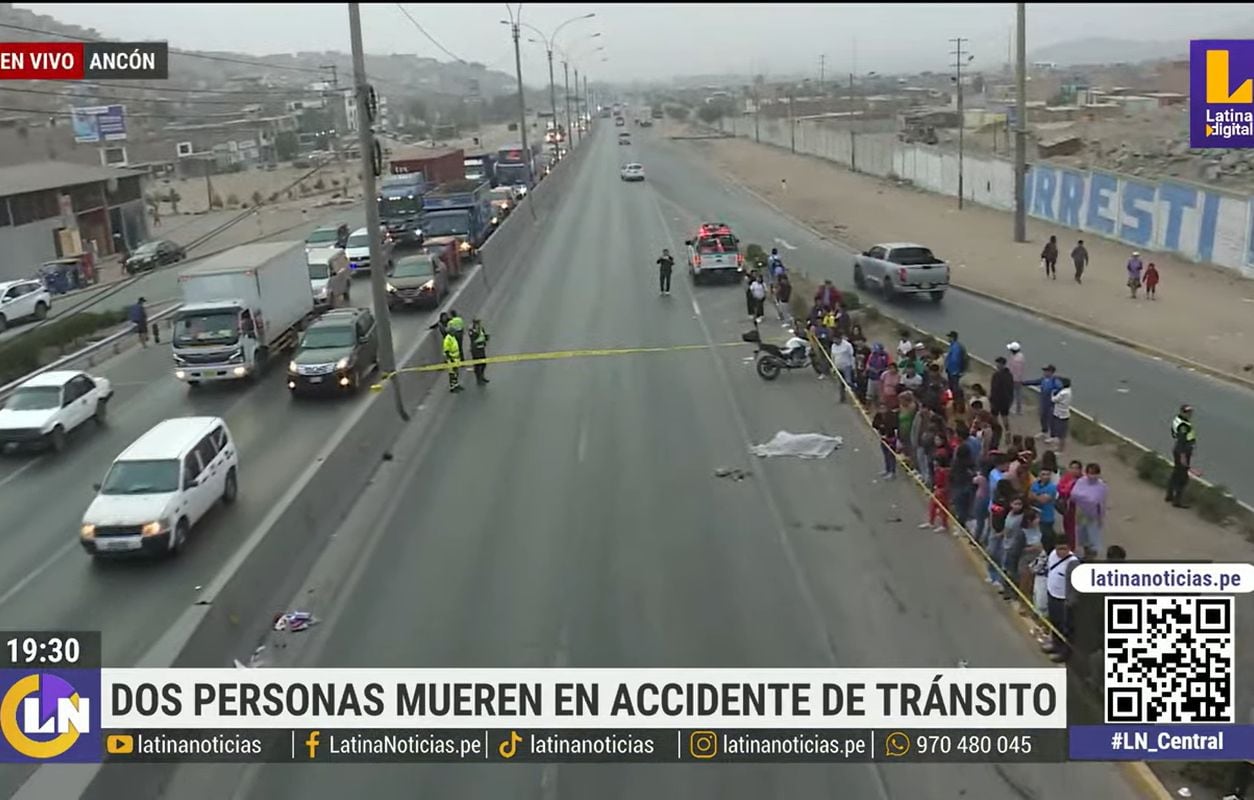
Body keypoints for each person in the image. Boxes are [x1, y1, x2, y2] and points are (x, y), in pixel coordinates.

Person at [1042, 539, 1080, 663]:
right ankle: (1055, 645)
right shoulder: (1053, 555)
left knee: (1065, 629)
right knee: (1054, 623)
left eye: (1064, 549)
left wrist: (1071, 602)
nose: (1060, 552)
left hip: (1064, 600)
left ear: (1069, 549)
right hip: (1052, 594)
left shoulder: (1073, 563)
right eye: (1059, 549)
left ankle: (1065, 654)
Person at [1071, 463, 1108, 559]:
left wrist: (1101, 517)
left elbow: (1101, 502)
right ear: (1086, 473)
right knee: (1083, 536)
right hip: (1081, 514)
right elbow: (1074, 495)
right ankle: (1086, 553)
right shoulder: (1081, 482)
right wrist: (1089, 499)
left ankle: (1091, 557)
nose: (1092, 476)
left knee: (1093, 538)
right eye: (1090, 473)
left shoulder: (1102, 486)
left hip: (1094, 515)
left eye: (1095, 473)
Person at [1166, 403, 1197, 508]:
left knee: (1176, 473)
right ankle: (1177, 501)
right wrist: (1183, 457)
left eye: (1190, 412)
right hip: (1182, 452)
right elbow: (1181, 441)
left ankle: (1169, 495)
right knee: (1183, 478)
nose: (1189, 414)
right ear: (1182, 412)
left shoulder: (1177, 420)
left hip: (1178, 451)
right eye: (1187, 412)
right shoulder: (1183, 426)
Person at [1023, 364, 1062, 438]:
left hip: (1051, 403)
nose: (1044, 372)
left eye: (1046, 371)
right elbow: (1034, 382)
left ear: (1051, 372)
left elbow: (1060, 390)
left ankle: (1053, 436)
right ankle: (1044, 431)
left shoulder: (1055, 381)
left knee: (1051, 419)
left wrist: (1055, 396)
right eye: (1044, 371)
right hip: (1043, 401)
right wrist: (1023, 383)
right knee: (1042, 417)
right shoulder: (1043, 379)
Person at [1030, 467, 1060, 549]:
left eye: (1048, 474)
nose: (1046, 476)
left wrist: (1035, 495)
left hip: (1047, 517)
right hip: (1036, 516)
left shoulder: (1052, 487)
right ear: (1039, 475)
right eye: (1043, 474)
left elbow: (1044, 500)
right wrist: (1038, 496)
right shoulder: (1034, 484)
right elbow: (1030, 496)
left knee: (1047, 538)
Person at [872, 402, 899, 479]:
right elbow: (874, 424)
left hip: (891, 438)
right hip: (883, 438)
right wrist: (880, 427)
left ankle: (892, 472)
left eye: (884, 408)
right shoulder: (878, 416)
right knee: (885, 455)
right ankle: (887, 469)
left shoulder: (892, 416)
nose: (882, 410)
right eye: (880, 408)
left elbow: (894, 427)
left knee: (891, 455)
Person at [925, 453, 951, 533]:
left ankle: (944, 525)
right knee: (932, 506)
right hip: (938, 490)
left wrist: (942, 490)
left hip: (943, 492)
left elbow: (947, 484)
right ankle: (931, 522)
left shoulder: (945, 472)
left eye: (936, 461)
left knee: (942, 508)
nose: (934, 462)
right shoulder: (937, 470)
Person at [944, 331, 969, 408]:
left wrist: (952, 370)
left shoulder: (955, 347)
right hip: (953, 371)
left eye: (949, 337)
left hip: (954, 371)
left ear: (952, 338)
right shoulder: (954, 346)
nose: (948, 338)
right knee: (953, 387)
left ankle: (955, 402)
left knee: (954, 388)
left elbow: (955, 360)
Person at [989, 356, 1014, 432]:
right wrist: (1010, 400)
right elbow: (1011, 389)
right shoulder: (1009, 375)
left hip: (997, 400)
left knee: (994, 416)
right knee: (1004, 416)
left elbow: (994, 389)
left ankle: (996, 430)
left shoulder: (996, 375)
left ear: (1002, 364)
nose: (997, 365)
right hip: (1006, 400)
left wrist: (991, 399)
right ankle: (1007, 431)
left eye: (998, 364)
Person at [830, 333, 855, 402]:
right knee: (840, 384)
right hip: (838, 367)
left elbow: (852, 356)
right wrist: (833, 367)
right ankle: (842, 398)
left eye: (836, 339)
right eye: (833, 339)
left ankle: (854, 397)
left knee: (848, 382)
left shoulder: (847, 345)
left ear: (840, 338)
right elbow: (832, 357)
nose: (834, 341)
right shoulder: (833, 346)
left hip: (847, 366)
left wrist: (853, 366)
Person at [1049, 378, 1073, 449]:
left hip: (1062, 415)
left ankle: (1061, 449)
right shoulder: (1068, 391)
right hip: (1061, 413)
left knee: (1061, 434)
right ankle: (1059, 447)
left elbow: (1053, 399)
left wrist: (1052, 393)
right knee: (1060, 432)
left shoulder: (1063, 393)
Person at [469, 318, 490, 385]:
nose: (479, 324)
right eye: (477, 322)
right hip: (475, 349)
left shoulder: (481, 328)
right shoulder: (471, 330)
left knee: (484, 363)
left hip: (481, 348)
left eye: (479, 322)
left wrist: (486, 337)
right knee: (477, 364)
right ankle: (478, 378)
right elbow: (473, 337)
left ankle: (482, 375)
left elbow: (483, 335)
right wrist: (477, 331)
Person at [1007, 342, 1026, 416]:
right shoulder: (1021, 356)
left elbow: (1011, 369)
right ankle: (1018, 409)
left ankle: (1011, 408)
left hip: (1014, 379)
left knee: (1012, 394)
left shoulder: (1015, 360)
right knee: (1018, 394)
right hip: (1019, 378)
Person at [442, 327, 463, 393]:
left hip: (456, 357)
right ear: (450, 332)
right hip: (451, 359)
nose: (455, 332)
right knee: (452, 373)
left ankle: (456, 384)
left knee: (456, 372)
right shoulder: (447, 340)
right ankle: (452, 387)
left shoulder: (452, 337)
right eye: (454, 331)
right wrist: (451, 360)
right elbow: (446, 351)